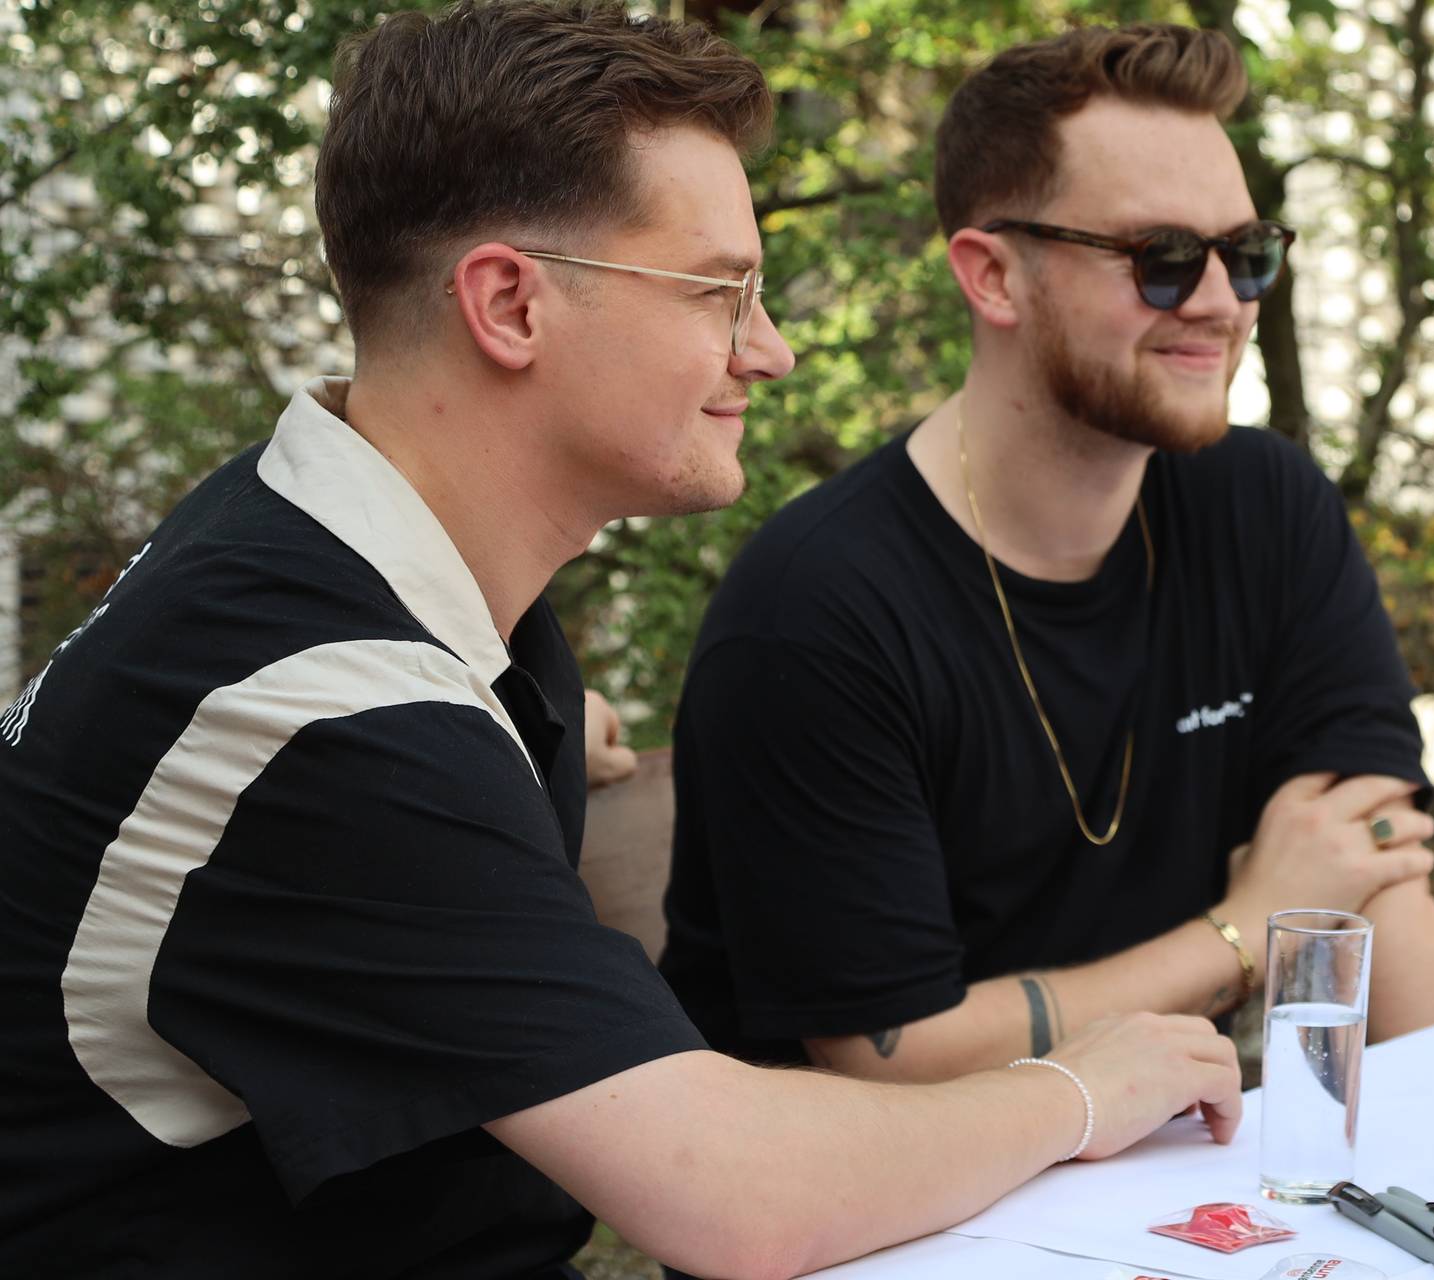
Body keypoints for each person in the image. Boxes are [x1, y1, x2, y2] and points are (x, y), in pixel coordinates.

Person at [0, 4, 1239, 1276]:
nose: (771, 350)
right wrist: (1081, 1089)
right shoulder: (327, 713)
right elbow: (734, 1195)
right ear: (510, 305)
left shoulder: (308, 551)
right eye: (721, 292)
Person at [656, 22, 1434, 1084]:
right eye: (1164, 260)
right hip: (892, 1221)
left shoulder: (1264, 505)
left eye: (1248, 254)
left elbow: (1368, 868)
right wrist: (1241, 929)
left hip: (1170, 1169)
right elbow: (892, 1055)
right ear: (993, 277)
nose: (1224, 305)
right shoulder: (817, 613)